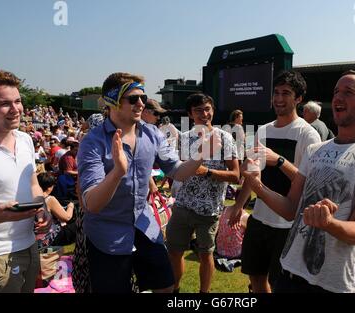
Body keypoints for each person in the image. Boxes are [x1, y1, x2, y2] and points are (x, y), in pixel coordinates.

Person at [241, 70, 355, 293]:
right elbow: (290, 209)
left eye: (348, 92)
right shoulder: (315, 151)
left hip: (330, 283)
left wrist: (328, 223)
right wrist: (257, 186)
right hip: (289, 271)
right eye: (336, 91)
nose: (338, 97)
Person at [77, 72, 219, 293]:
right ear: (113, 101)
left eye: (143, 97)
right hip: (107, 233)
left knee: (166, 286)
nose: (141, 103)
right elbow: (92, 203)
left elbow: (178, 171)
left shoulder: (153, 134)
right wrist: (117, 172)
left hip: (144, 226)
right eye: (133, 98)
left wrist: (201, 154)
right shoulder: (93, 142)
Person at [227, 71, 321, 292]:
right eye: (276, 93)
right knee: (255, 277)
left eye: (286, 93)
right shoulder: (264, 129)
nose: (279, 98)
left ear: (298, 98)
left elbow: (310, 183)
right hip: (259, 218)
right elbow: (252, 174)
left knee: (280, 283)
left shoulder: (308, 135)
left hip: (288, 225)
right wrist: (239, 206)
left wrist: (279, 161)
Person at [166, 93, 240, 293]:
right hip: (182, 205)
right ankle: (175, 290)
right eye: (198, 110)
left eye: (208, 109)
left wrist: (207, 171)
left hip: (209, 209)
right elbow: (177, 171)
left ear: (213, 111)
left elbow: (236, 176)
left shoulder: (224, 138)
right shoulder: (184, 139)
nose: (204, 114)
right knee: (174, 252)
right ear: (190, 114)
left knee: (205, 255)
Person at [0, 70, 51, 293]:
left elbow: (33, 183)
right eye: (5, 104)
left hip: (28, 245)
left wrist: (42, 208)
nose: (16, 109)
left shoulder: (25, 140)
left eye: (18, 101)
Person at [36, 172, 76, 248]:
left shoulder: (33, 198)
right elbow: (67, 217)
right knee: (80, 224)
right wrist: (71, 206)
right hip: (51, 237)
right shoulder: (49, 199)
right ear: (49, 187)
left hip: (39, 238)